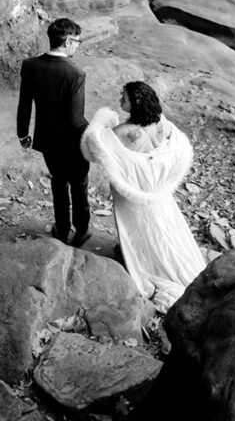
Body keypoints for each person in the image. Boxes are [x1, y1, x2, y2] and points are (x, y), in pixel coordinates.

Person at [81, 81, 206, 312]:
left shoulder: (120, 133)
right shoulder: (163, 125)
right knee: (165, 228)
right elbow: (177, 148)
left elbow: (91, 148)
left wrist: (102, 120)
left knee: (136, 229)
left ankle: (138, 261)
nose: (120, 101)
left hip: (132, 195)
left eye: (124, 98)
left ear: (135, 103)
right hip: (158, 194)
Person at [17, 18, 91, 247]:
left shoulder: (30, 65)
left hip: (47, 139)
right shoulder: (75, 74)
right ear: (68, 41)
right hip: (73, 143)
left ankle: (61, 229)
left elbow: (25, 104)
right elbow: (76, 119)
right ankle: (82, 231)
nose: (78, 46)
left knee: (58, 183)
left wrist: (23, 133)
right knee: (79, 185)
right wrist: (95, 133)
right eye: (77, 41)